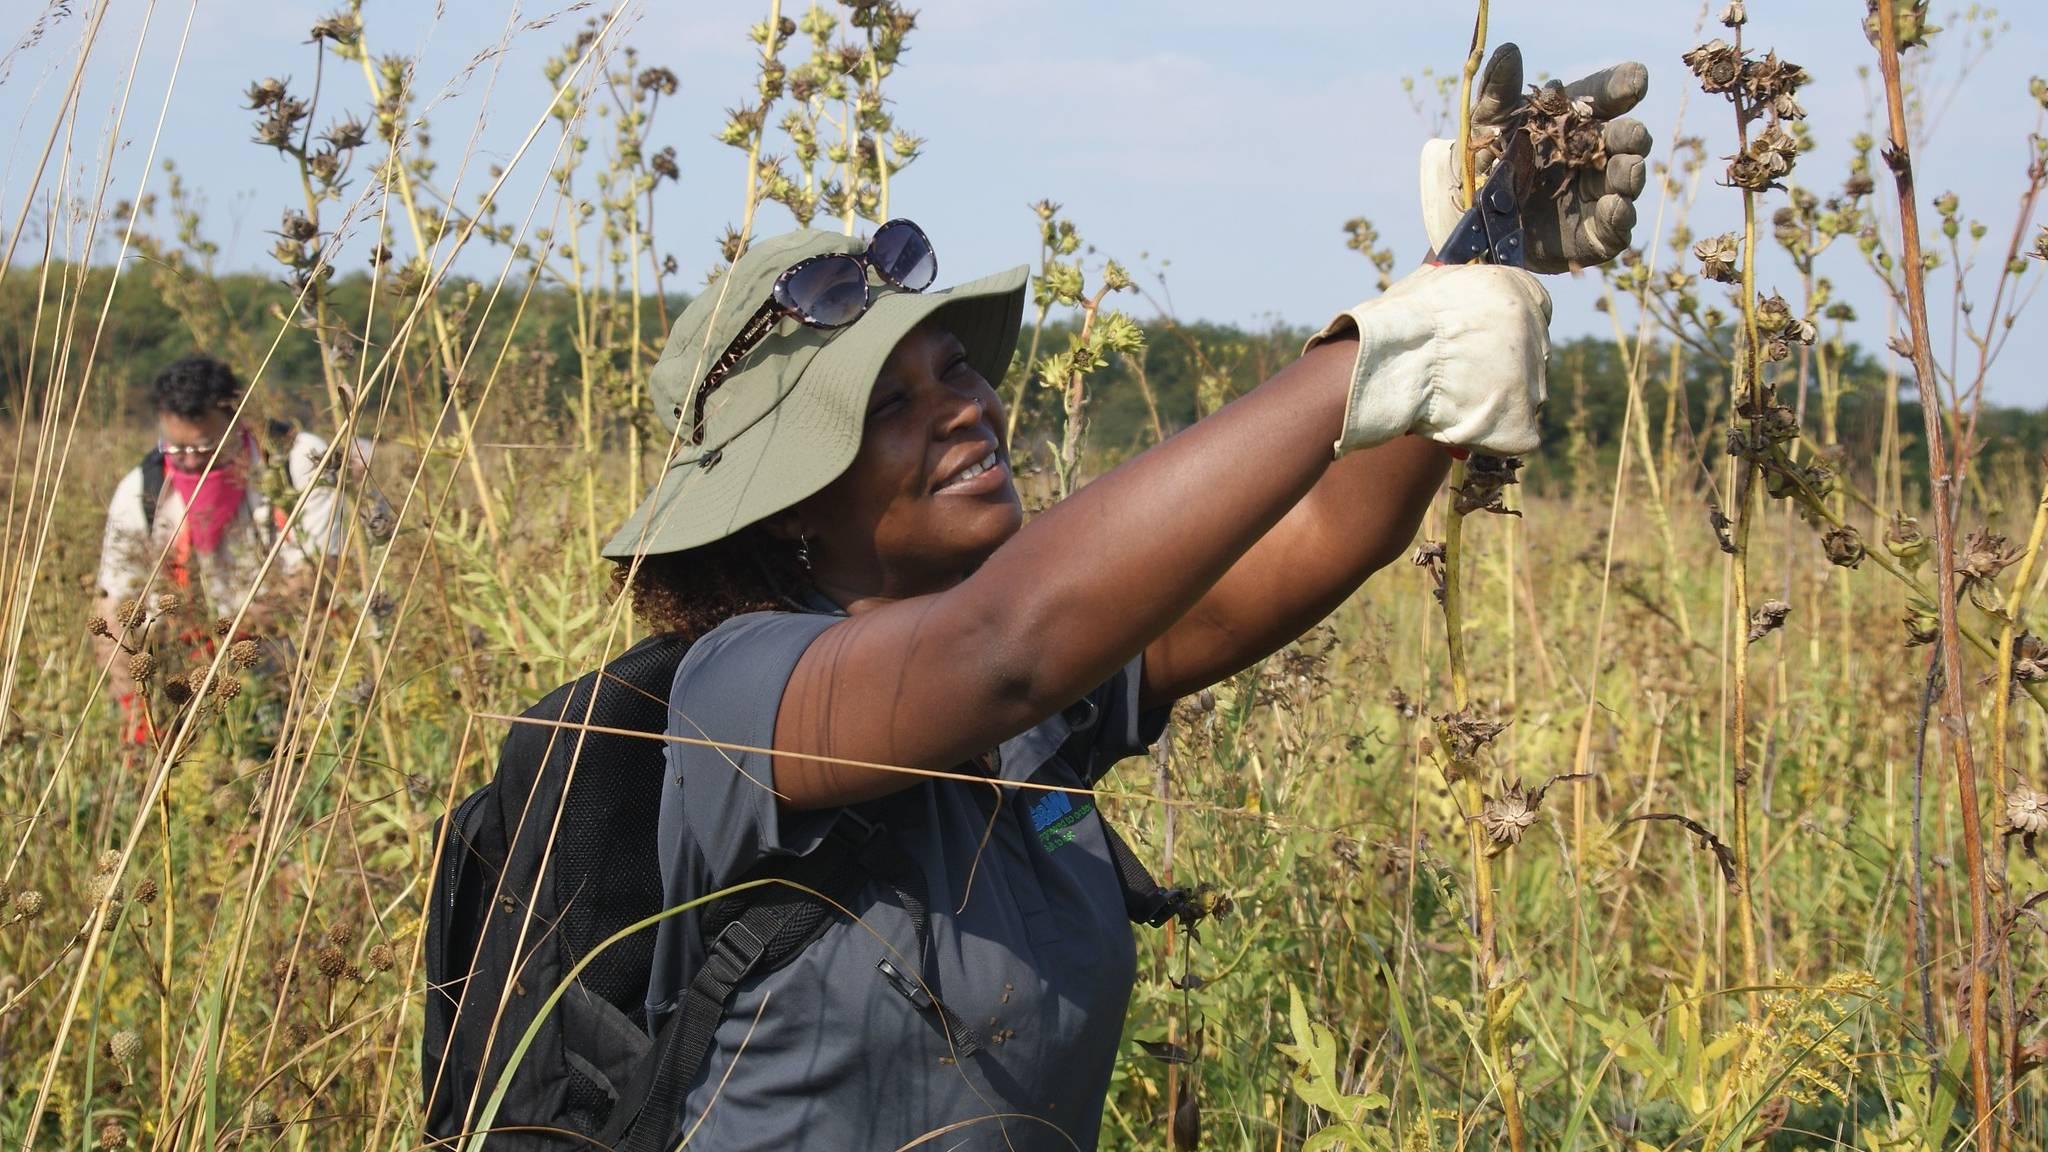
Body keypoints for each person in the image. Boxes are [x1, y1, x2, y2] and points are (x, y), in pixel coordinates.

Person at [603, 47, 1648, 1151]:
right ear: (786, 505)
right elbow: (999, 646)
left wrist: (1473, 254)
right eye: (889, 406)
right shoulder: (740, 688)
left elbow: (1325, 528)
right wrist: (1380, 352)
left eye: (955, 370)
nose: (963, 411)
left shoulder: (1042, 708)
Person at [94, 353, 377, 741]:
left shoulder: (298, 461)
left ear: (237, 419)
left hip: (298, 655)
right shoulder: (140, 492)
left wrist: (236, 640)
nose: (190, 462)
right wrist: (135, 718)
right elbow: (114, 605)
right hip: (192, 666)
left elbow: (323, 571)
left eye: (206, 447)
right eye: (176, 448)